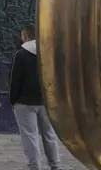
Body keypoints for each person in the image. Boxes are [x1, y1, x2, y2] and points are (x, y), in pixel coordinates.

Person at [10, 24, 61, 170]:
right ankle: (55, 164)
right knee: (50, 134)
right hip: (46, 102)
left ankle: (35, 166)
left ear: (25, 36)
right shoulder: (48, 53)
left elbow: (15, 79)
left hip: (24, 103)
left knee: (30, 136)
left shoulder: (20, 54)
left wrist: (13, 100)